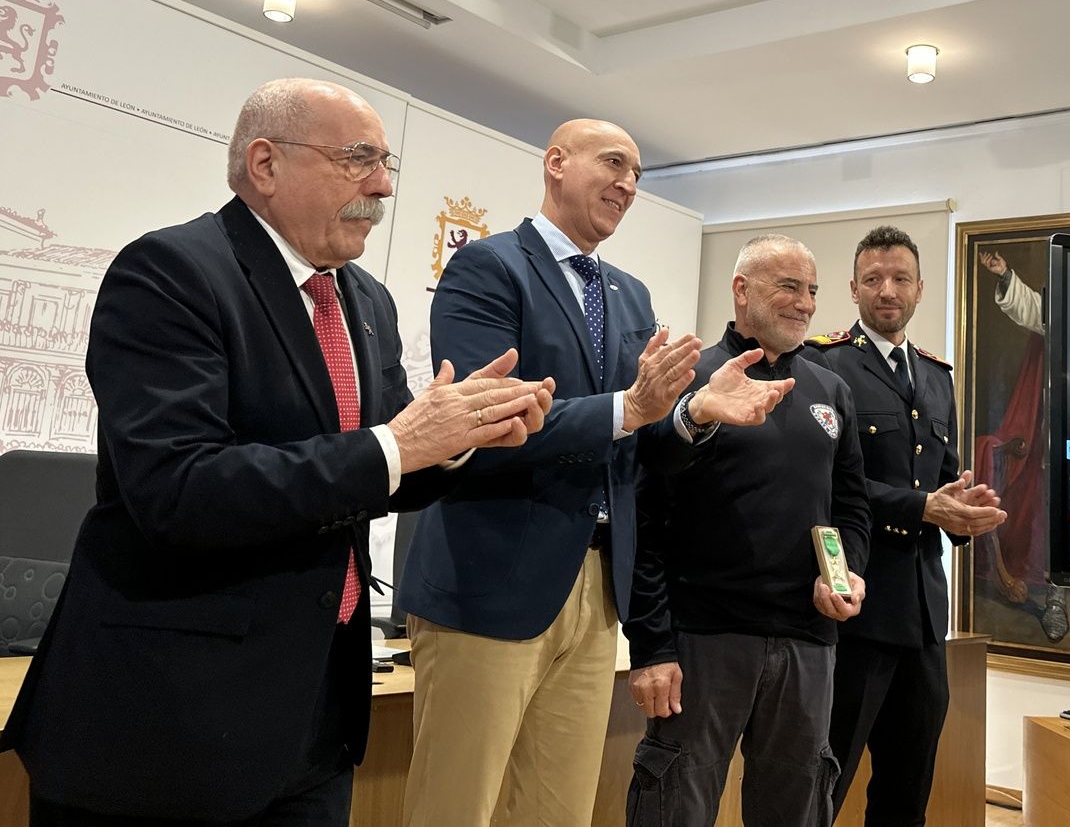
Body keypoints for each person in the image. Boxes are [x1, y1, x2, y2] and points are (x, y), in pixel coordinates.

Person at [0, 78, 553, 825]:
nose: (383, 184)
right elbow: (179, 488)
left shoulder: (367, 301)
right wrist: (400, 441)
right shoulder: (170, 272)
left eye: (385, 162)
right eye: (358, 158)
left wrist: (459, 441)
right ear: (265, 163)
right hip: (168, 725)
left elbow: (377, 470)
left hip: (315, 718)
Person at [398, 120, 784, 827]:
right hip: (491, 579)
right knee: (454, 809)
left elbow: (634, 444)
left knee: (557, 813)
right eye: (613, 163)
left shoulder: (631, 295)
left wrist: (694, 414)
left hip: (596, 592)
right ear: (555, 164)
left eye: (638, 173)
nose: (629, 184)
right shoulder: (488, 267)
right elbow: (485, 421)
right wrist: (628, 408)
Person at [624, 234, 872, 827]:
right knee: (675, 806)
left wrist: (848, 575)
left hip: (809, 644)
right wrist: (652, 646)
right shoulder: (689, 378)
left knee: (796, 808)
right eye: (788, 286)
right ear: (741, 289)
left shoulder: (830, 390)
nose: (805, 303)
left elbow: (851, 506)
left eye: (811, 290)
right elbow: (644, 519)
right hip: (702, 642)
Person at [804, 225, 1004, 826]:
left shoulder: (936, 375)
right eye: (873, 279)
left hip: (923, 618)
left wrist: (964, 514)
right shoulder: (826, 364)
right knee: (823, 784)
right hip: (856, 608)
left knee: (908, 787)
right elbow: (826, 485)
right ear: (853, 289)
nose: (886, 290)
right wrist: (923, 509)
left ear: (920, 290)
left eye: (899, 279)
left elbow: (942, 479)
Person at [973, 249, 1070, 641]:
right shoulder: (1061, 308)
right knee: (1056, 516)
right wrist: (1006, 274)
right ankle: (1056, 600)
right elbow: (1033, 309)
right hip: (1063, 432)